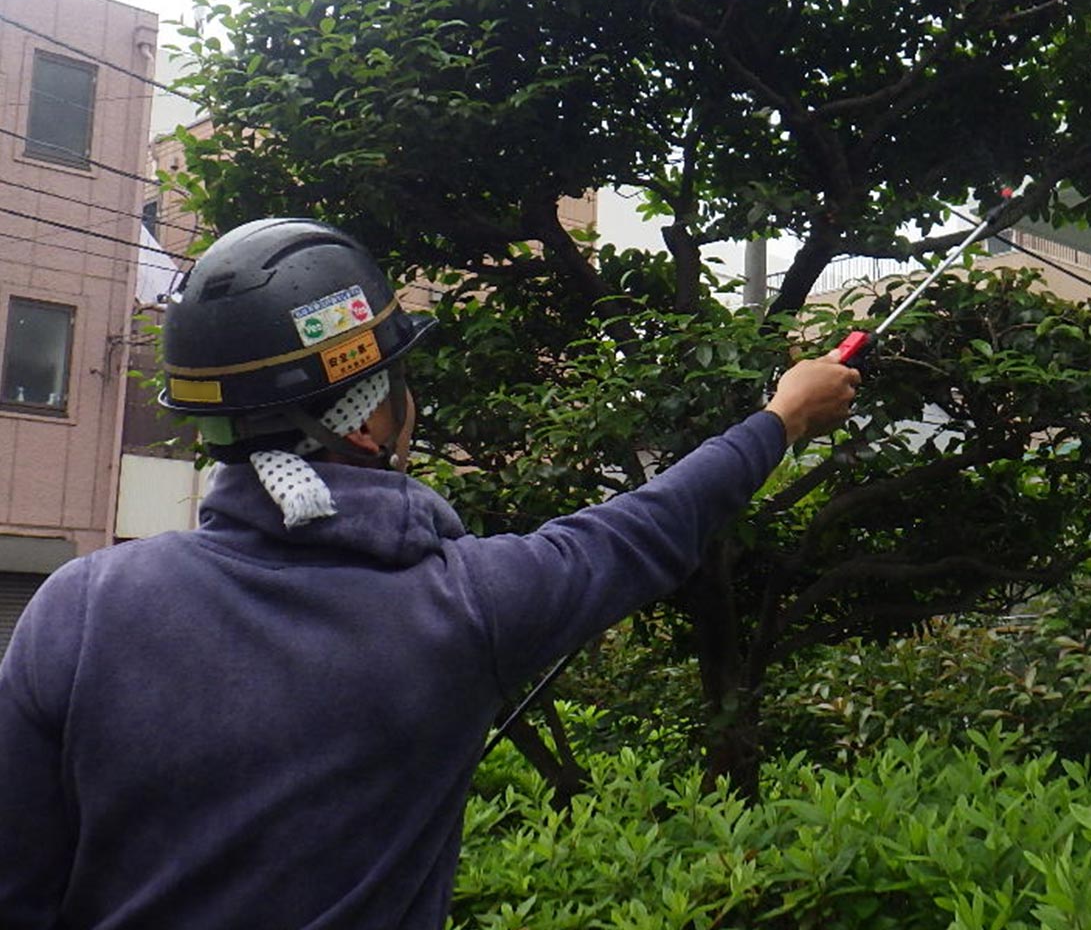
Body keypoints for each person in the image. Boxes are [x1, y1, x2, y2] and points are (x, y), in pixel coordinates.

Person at [0, 217, 859, 929]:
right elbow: (648, 529)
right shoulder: (463, 606)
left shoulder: (78, 606)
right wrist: (781, 419)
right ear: (363, 418)